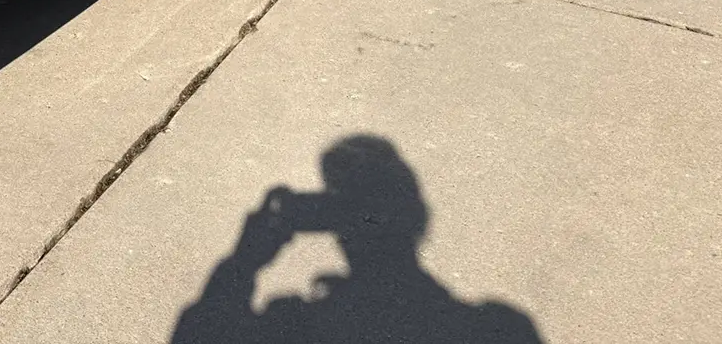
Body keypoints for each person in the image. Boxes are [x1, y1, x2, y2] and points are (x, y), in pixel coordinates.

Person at [172, 135, 543, 343]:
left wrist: (244, 260)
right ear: (417, 217)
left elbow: (197, 333)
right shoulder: (502, 327)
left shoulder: (304, 323)